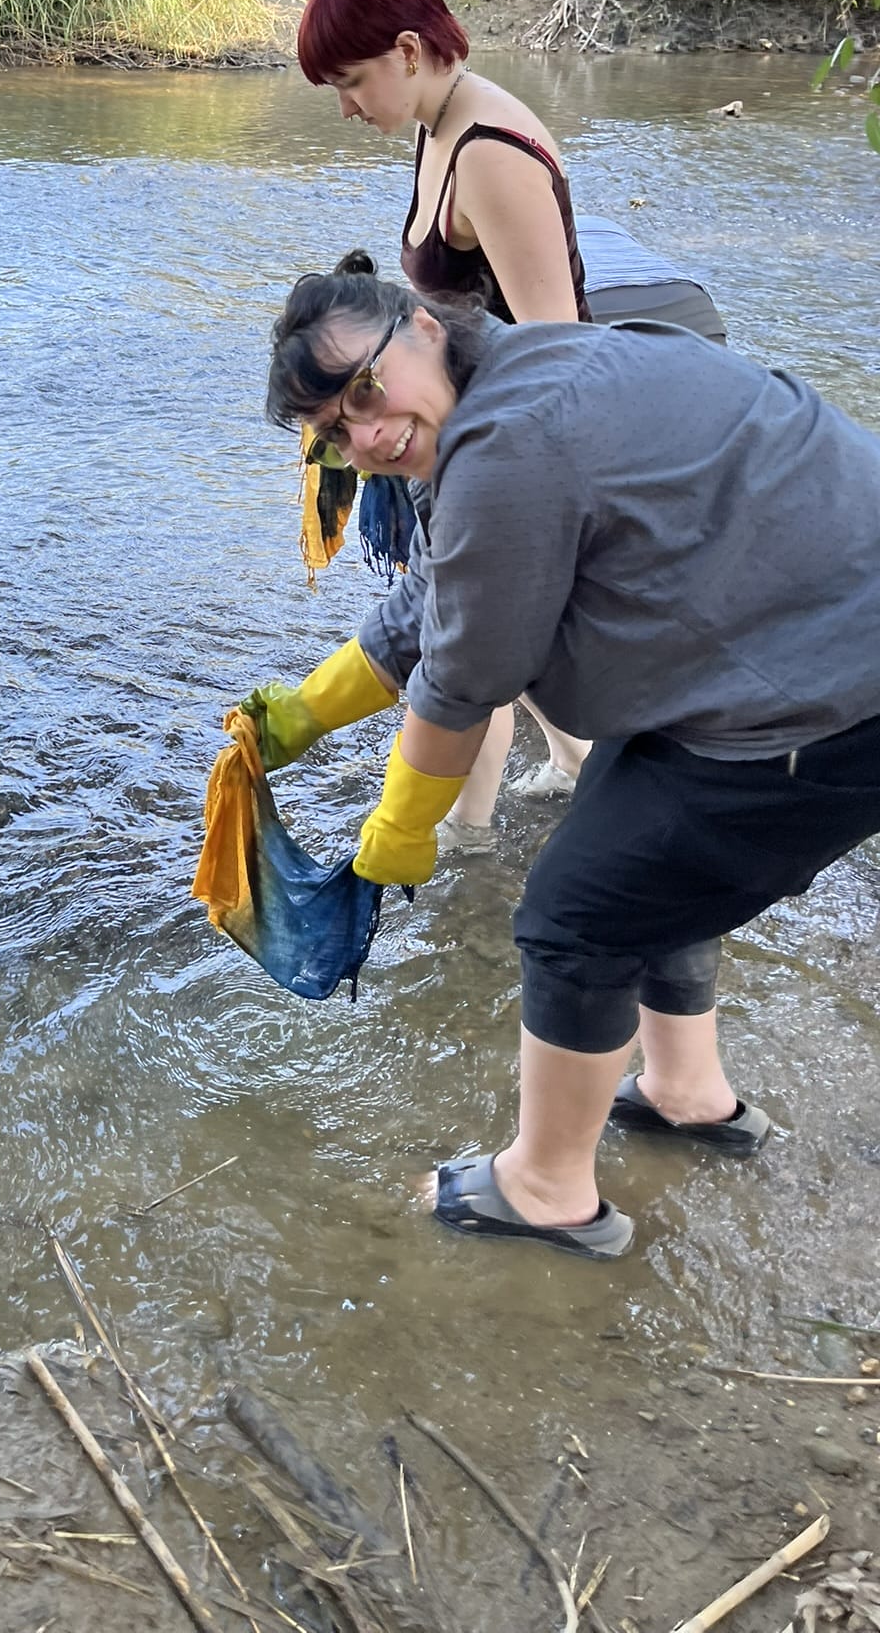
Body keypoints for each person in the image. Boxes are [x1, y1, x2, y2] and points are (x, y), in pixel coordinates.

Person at [244, 271, 880, 1258]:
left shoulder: (506, 447)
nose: (363, 437)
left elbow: (465, 681)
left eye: (364, 393)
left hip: (829, 689)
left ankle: (545, 1188)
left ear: (421, 326)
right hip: (780, 639)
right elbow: (440, 603)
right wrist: (300, 715)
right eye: (333, 433)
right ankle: (686, 1092)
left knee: (572, 913)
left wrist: (396, 834)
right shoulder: (510, 371)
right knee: (640, 848)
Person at [295, 0, 727, 845]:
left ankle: (470, 847)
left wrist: (510, 510)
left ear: (408, 52)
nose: (345, 107)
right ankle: (539, 797)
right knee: (488, 648)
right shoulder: (435, 123)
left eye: (351, 82)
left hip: (510, 450)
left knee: (469, 645)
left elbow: (560, 350)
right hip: (461, 438)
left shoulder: (491, 153)